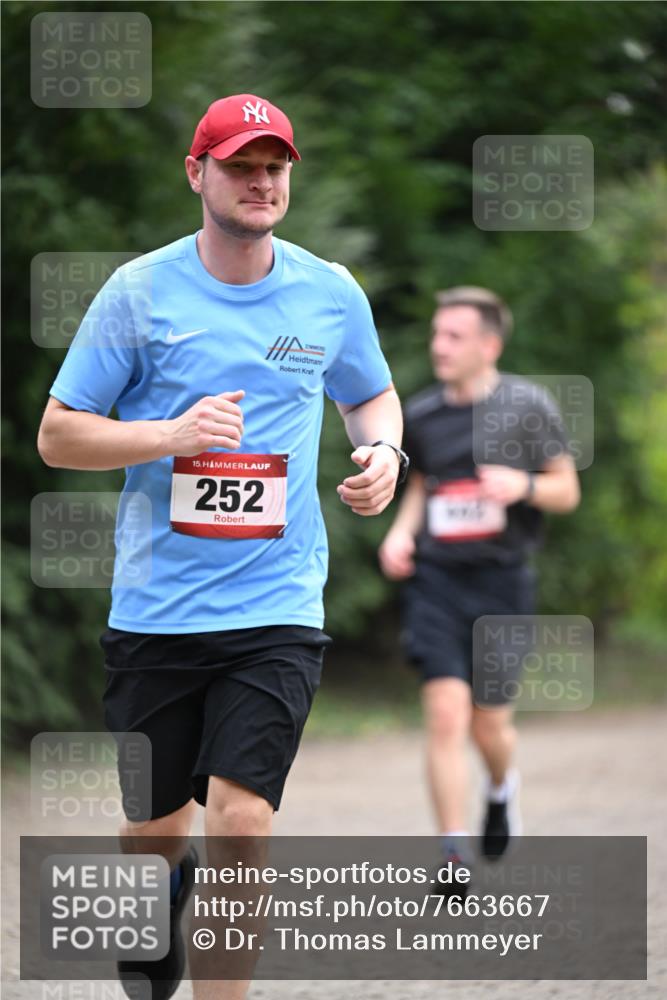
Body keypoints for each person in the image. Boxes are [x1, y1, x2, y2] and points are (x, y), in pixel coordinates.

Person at [37, 93, 408, 1000]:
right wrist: (167, 436)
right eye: (241, 165)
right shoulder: (140, 291)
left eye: (275, 166)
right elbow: (58, 433)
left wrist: (384, 451)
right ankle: (154, 898)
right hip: (157, 613)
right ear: (197, 173)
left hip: (276, 607)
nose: (261, 181)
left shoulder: (328, 292)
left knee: (241, 822)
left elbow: (369, 395)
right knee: (156, 833)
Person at [379, 286, 580, 887]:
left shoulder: (528, 406)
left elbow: (567, 490)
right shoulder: (419, 415)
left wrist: (522, 486)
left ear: (489, 345)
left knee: (488, 722)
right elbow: (423, 486)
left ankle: (500, 786)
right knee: (445, 712)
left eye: (454, 336)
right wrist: (400, 534)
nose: (438, 346)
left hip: (502, 582)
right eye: (437, 334)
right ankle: (452, 854)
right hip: (437, 580)